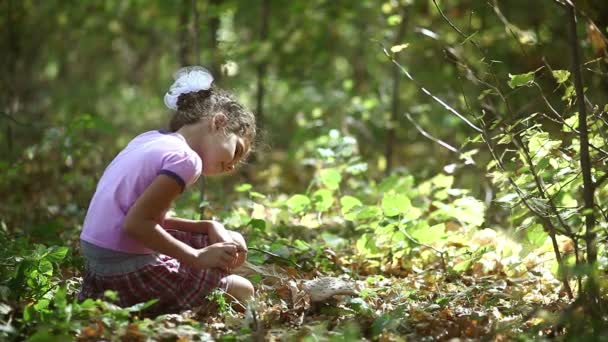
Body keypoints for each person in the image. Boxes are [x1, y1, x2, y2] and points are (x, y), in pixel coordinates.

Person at [78, 66, 256, 316]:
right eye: (237, 150)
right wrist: (196, 257)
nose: (233, 166)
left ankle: (204, 277)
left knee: (229, 241)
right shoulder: (185, 161)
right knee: (243, 289)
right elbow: (136, 224)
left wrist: (205, 227)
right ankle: (208, 288)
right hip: (125, 272)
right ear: (218, 122)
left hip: (99, 266)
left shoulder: (151, 139)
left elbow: (140, 217)